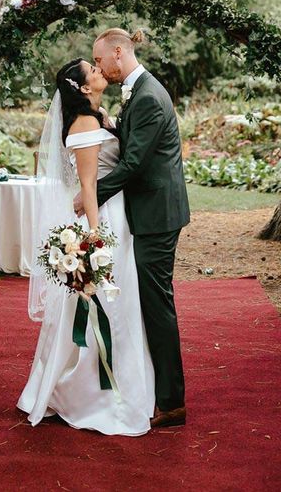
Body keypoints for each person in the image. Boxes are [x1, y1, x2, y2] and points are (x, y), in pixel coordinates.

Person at [18, 58, 155, 435]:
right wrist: (97, 240)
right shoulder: (83, 123)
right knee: (107, 303)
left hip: (118, 215)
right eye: (90, 69)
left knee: (121, 302)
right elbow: (89, 185)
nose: (98, 71)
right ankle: (89, 392)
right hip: (105, 219)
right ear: (81, 86)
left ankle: (124, 381)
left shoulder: (97, 116)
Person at [76, 28, 190, 429]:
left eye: (100, 58)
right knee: (151, 300)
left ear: (118, 53)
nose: (100, 66)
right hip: (151, 209)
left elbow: (135, 163)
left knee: (157, 303)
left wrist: (90, 194)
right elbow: (131, 143)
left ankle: (172, 402)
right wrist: (111, 124)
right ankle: (159, 387)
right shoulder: (137, 92)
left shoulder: (147, 96)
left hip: (158, 214)